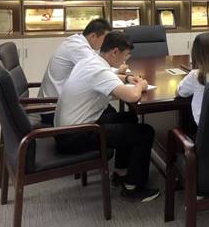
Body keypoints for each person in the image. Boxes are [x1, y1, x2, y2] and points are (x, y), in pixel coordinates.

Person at [54, 31, 159, 202]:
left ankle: (120, 173)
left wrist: (128, 78)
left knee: (129, 118)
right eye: (126, 55)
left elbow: (109, 76)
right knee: (145, 132)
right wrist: (141, 85)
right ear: (115, 52)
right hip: (75, 135)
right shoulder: (99, 70)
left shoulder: (90, 61)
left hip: (67, 129)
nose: (126, 60)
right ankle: (133, 188)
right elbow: (132, 96)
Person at [39, 18, 115, 124]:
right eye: (105, 39)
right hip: (54, 110)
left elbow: (98, 66)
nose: (107, 44)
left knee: (109, 109)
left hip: (60, 103)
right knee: (110, 111)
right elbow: (99, 71)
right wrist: (122, 74)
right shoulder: (78, 47)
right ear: (93, 36)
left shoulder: (77, 42)